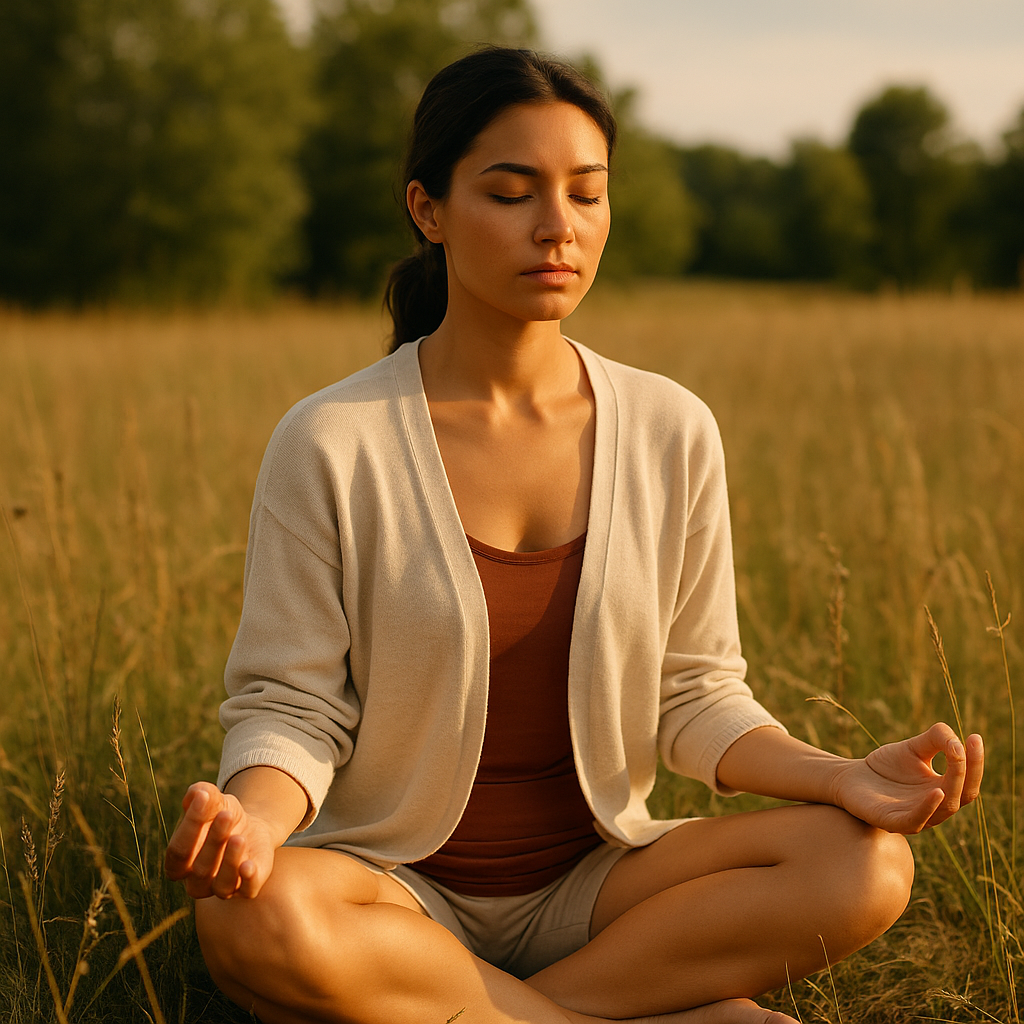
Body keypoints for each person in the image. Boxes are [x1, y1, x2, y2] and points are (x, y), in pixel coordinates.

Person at [164, 47, 984, 1024]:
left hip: (599, 887)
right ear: (427, 209)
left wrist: (840, 774)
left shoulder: (670, 426)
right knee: (246, 920)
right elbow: (290, 704)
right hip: (390, 888)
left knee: (864, 861)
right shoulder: (333, 439)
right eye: (510, 193)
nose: (557, 228)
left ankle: (468, 1011)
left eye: (586, 195)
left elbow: (696, 693)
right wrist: (253, 826)